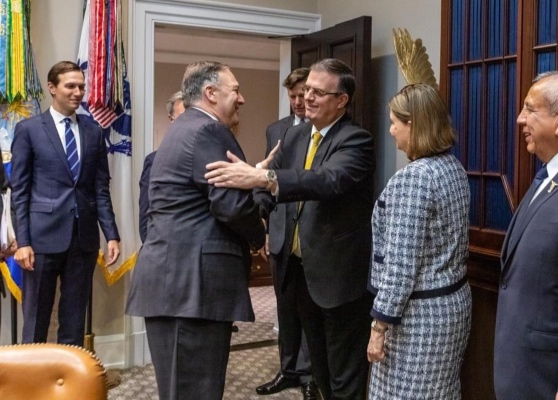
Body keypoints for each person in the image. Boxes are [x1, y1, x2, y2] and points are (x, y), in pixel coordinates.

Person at [205, 58, 376, 400]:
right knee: (319, 369)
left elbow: (326, 180)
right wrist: (256, 216)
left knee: (344, 375)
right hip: (298, 272)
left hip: (337, 278)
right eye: (307, 89)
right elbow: (267, 187)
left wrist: (262, 176)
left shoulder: (356, 140)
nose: (307, 97)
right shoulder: (295, 136)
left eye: (318, 92)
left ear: (341, 100)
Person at [125, 61, 265, 400]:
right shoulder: (208, 131)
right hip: (191, 287)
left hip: (176, 284)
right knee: (194, 391)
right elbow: (230, 205)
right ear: (210, 93)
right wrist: (260, 226)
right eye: (235, 90)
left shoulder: (183, 128)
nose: (242, 98)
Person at [494, 71, 558, 400]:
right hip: (523, 369)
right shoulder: (551, 171)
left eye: (530, 109)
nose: (519, 119)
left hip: (552, 380)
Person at [366, 84, 472, 399]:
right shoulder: (453, 167)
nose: (391, 130)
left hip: (417, 318)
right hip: (452, 306)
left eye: (394, 122)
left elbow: (400, 267)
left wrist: (378, 328)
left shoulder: (413, 178)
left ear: (412, 124)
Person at [11, 61, 121, 346]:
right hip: (41, 241)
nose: (78, 92)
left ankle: (67, 373)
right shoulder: (29, 130)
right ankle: (32, 375)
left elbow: (100, 189)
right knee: (36, 319)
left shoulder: (94, 132)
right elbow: (20, 191)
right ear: (52, 88)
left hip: (83, 241)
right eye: (70, 86)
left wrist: (111, 234)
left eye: (81, 87)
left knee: (74, 321)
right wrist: (23, 242)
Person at [255, 67, 319, 399]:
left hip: (310, 235)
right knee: (285, 306)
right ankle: (288, 369)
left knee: (309, 308)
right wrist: (265, 229)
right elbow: (269, 181)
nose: (298, 101)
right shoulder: (275, 130)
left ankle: (309, 375)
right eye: (292, 96)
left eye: (302, 94)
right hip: (280, 232)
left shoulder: (322, 131)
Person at [139, 91, 185, 243]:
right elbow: (146, 215)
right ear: (171, 119)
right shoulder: (154, 161)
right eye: (183, 117)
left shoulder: (207, 157)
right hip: (163, 248)